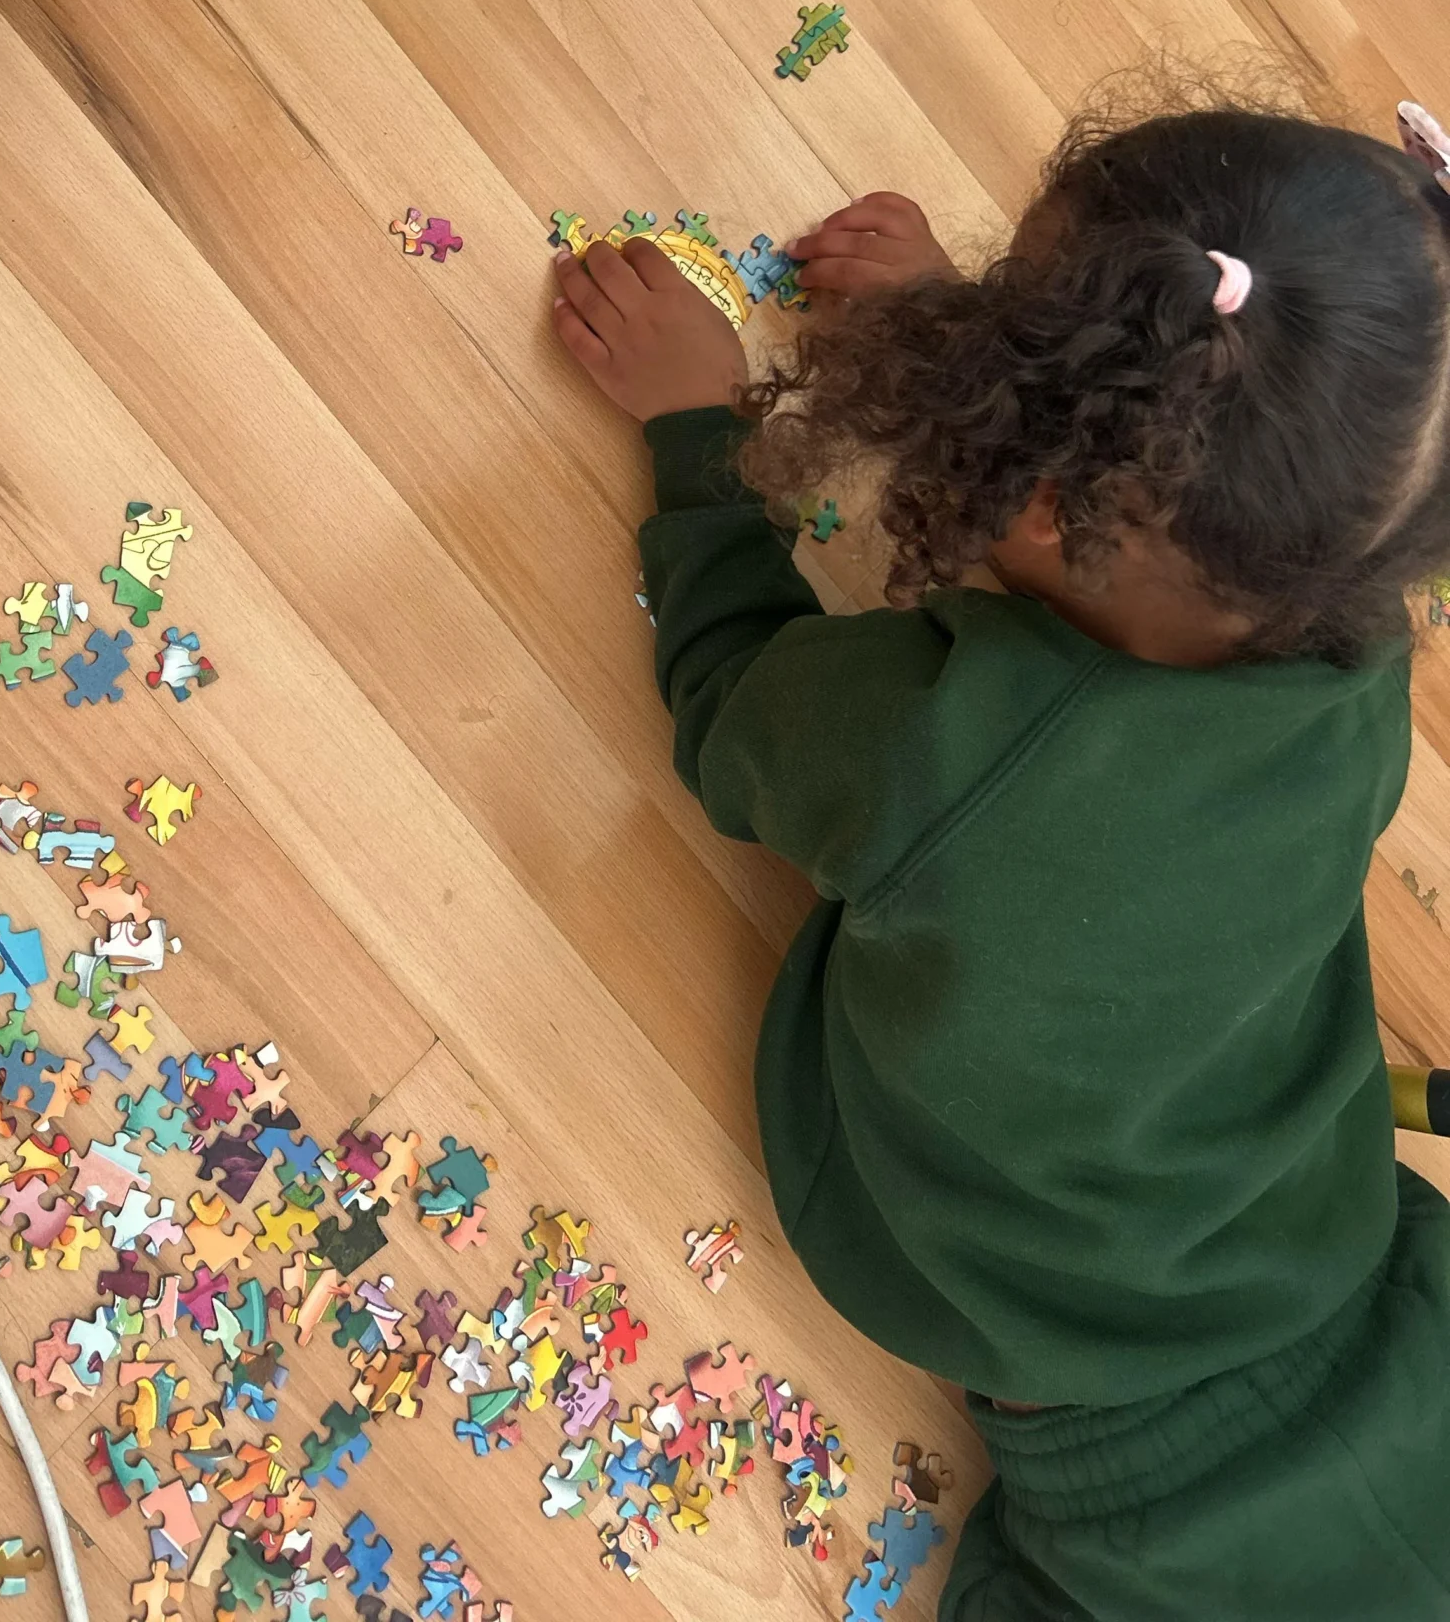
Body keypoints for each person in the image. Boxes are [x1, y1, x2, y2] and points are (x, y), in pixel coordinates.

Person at [550, 93, 1450, 1620]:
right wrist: (939, 322)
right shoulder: (1355, 652)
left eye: (984, 375)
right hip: (1345, 1268)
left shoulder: (931, 752)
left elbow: (730, 711)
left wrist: (701, 440)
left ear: (1033, 494)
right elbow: (1180, 426)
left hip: (1136, 1452)